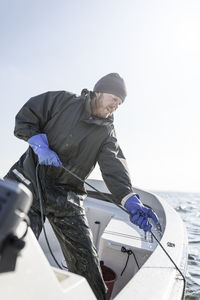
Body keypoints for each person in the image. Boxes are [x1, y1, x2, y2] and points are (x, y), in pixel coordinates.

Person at [4, 73, 159, 300]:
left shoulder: (107, 133)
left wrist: (130, 200)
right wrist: (38, 143)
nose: (116, 105)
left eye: (120, 103)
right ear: (99, 91)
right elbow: (27, 116)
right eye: (114, 98)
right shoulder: (62, 101)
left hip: (67, 194)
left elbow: (114, 168)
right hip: (28, 181)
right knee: (12, 247)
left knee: (87, 263)